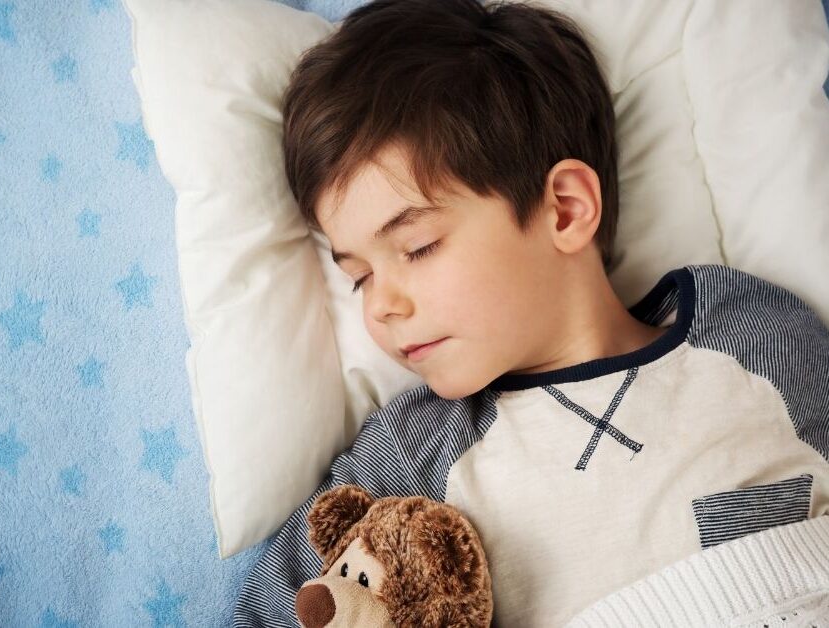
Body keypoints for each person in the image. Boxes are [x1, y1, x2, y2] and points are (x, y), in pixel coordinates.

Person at [233, 0, 829, 625]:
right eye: (358, 279)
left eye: (417, 247)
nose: (383, 305)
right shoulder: (416, 454)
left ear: (565, 211)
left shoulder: (750, 334)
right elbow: (283, 607)